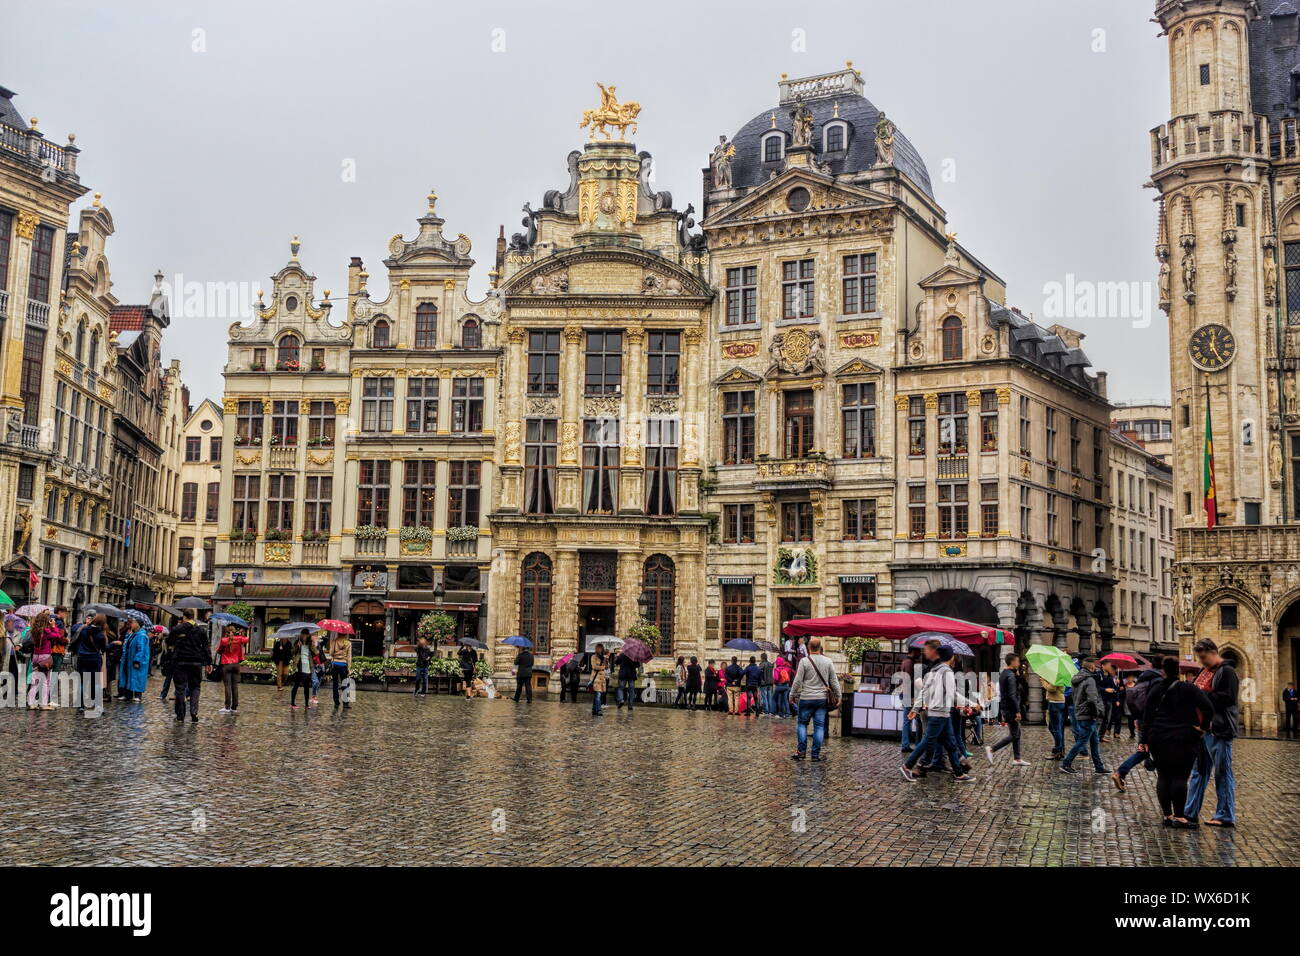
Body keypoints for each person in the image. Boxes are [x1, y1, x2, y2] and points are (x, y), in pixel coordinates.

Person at [1142, 656, 1214, 828]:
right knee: (1180, 776)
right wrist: (1203, 727)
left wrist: (1144, 740)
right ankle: (1180, 816)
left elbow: (1147, 716)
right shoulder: (1188, 688)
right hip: (1184, 737)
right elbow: (1208, 707)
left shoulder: (1156, 689)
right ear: (1179, 670)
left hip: (1159, 737)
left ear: (1163, 671)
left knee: (1164, 776)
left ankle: (1167, 815)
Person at [1184, 638, 1239, 828]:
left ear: (1213, 652)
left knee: (1222, 773)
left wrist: (1202, 695)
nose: (1201, 661)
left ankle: (1225, 815)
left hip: (1219, 730)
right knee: (1198, 772)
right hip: (1202, 730)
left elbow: (1228, 698)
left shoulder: (1227, 671)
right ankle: (1189, 812)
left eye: (1203, 657)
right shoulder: (1204, 671)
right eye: (1199, 658)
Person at [901, 641, 976, 781]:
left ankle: (959, 773)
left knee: (951, 744)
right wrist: (972, 703)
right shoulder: (947, 672)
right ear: (951, 657)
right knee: (926, 742)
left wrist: (915, 709)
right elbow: (952, 694)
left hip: (941, 713)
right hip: (940, 713)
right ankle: (907, 766)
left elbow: (924, 692)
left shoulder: (933, 671)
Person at [1111, 665, 1162, 792]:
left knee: (1143, 751)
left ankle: (1120, 773)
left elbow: (1133, 704)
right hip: (1153, 723)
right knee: (1160, 753)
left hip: (1140, 721)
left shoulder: (1138, 686)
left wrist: (1136, 719)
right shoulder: (1156, 685)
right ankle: (1166, 788)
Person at [788, 637, 840, 762]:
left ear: (809, 647)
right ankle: (815, 755)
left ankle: (801, 752)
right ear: (820, 647)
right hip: (821, 699)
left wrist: (792, 695)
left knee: (802, 724)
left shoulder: (804, 662)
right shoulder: (828, 661)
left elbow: (798, 680)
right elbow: (834, 680)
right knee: (819, 727)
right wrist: (839, 695)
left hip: (806, 698)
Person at [1060, 658, 1108, 775]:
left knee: (1094, 741)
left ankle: (1099, 766)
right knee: (1082, 741)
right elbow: (1092, 699)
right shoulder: (1089, 679)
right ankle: (1066, 763)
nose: (1096, 669)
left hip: (1080, 712)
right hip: (1088, 714)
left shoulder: (1077, 678)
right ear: (1091, 667)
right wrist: (1097, 713)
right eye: (1095, 667)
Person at [985, 653, 1029, 766]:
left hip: (1006, 707)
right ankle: (992, 749)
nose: (1019, 664)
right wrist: (1017, 711)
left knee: (1016, 733)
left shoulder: (1006, 673)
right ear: (1013, 662)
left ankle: (1017, 758)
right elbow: (1012, 694)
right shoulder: (1010, 676)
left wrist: (1017, 675)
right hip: (1010, 708)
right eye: (1018, 661)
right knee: (1014, 734)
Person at [169, 609, 212, 723]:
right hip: (196, 662)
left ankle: (180, 715)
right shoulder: (201, 630)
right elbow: (206, 647)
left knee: (180, 688)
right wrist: (209, 662)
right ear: (193, 617)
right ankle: (193, 711)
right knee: (195, 687)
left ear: (184, 617)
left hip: (180, 661)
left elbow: (170, 641)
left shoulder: (178, 628)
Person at [69, 613, 108, 711]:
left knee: (82, 682)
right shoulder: (100, 634)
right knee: (96, 683)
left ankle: (80, 706)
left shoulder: (84, 630)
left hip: (82, 657)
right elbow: (104, 649)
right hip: (94, 659)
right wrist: (113, 644)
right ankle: (98, 705)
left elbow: (74, 630)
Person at [24, 610, 56, 710]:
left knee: (35, 681)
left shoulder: (34, 630)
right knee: (45, 681)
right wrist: (53, 626)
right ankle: (43, 703)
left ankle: (31, 702)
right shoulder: (46, 631)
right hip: (45, 657)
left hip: (35, 657)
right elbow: (57, 636)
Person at [215, 626, 248, 714]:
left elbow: (218, 651)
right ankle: (234, 706)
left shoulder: (224, 640)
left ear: (226, 632)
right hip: (236, 664)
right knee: (235, 686)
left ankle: (227, 706)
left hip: (226, 664)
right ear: (235, 631)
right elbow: (247, 639)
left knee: (227, 686)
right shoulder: (239, 639)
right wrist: (242, 633)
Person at [117, 618, 151, 703]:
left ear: (138, 624)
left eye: (133, 623)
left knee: (137, 677)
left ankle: (137, 695)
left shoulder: (141, 636)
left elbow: (141, 649)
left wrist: (137, 660)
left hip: (136, 661)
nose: (131, 624)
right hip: (128, 659)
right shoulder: (133, 634)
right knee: (128, 676)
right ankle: (127, 694)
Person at [326, 630, 353, 710]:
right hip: (343, 665)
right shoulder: (348, 643)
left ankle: (336, 702)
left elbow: (330, 653)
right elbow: (349, 657)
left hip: (335, 664)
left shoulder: (334, 641)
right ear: (346, 634)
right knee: (345, 684)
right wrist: (349, 668)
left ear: (338, 633)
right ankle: (345, 704)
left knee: (335, 684)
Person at [1097, 660, 1123, 742]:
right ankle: (1095, 737)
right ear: (1103, 666)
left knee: (1106, 719)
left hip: (1109, 700)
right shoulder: (1098, 674)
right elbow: (1095, 687)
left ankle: (1101, 736)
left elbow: (1115, 689)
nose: (1110, 667)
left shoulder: (1110, 676)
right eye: (1108, 665)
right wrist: (1105, 690)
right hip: (1100, 700)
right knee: (1099, 719)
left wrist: (1117, 685)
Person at [290, 629, 315, 708]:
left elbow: (316, 652)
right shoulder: (297, 642)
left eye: (306, 635)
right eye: (303, 634)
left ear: (308, 635)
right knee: (296, 685)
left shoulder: (310, 644)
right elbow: (292, 652)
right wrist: (298, 646)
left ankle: (306, 704)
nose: (304, 636)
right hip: (299, 666)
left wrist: (314, 644)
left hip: (308, 667)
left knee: (307, 686)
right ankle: (292, 703)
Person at [1042, 677, 1067, 759]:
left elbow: (1051, 688)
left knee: (1055, 728)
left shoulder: (1056, 675)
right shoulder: (1058, 674)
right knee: (1054, 727)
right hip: (1057, 702)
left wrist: (1043, 681)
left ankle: (1058, 750)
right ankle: (1059, 749)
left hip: (1055, 702)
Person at [899, 651, 918, 752]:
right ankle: (905, 744)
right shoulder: (910, 663)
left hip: (905, 694)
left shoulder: (905, 661)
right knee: (909, 720)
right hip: (908, 695)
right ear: (914, 651)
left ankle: (905, 743)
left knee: (907, 721)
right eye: (918, 651)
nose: (919, 652)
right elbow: (909, 682)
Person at [158, 623, 176, 701]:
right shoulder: (165, 642)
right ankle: (163, 695)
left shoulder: (171, 641)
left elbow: (168, 653)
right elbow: (164, 654)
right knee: (168, 679)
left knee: (175, 680)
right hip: (170, 664)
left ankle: (175, 694)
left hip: (174, 663)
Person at [589, 644, 608, 716]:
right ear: (597, 649)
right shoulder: (593, 657)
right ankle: (599, 710)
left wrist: (606, 661)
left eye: (601, 648)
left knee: (598, 695)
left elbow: (606, 667)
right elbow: (594, 667)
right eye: (599, 648)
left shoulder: (603, 657)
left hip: (602, 679)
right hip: (596, 678)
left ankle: (594, 709)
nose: (600, 650)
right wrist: (602, 667)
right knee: (598, 695)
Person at [771, 653, 792, 718]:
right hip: (786, 685)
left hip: (779, 686)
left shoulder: (776, 669)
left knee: (774, 699)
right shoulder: (785, 668)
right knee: (785, 700)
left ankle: (775, 712)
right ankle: (787, 713)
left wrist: (774, 681)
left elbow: (776, 679)